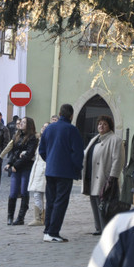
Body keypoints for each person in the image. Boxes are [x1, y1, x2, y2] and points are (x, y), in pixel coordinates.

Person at [39, 104, 84, 242]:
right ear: (71, 116)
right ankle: (53, 232)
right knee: (60, 202)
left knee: (51, 201)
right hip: (65, 171)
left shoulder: (49, 128)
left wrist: (50, 160)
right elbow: (77, 153)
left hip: (51, 170)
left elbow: (42, 150)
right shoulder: (72, 130)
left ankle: (47, 230)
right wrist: (77, 169)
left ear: (59, 113)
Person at [81, 115, 124, 234]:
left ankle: (107, 229)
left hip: (104, 177)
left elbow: (118, 160)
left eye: (104, 124)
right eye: (100, 124)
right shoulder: (95, 139)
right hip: (92, 174)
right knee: (95, 201)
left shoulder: (115, 140)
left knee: (105, 204)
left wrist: (112, 177)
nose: (101, 126)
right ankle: (99, 227)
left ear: (110, 126)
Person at [5, 117, 39, 225]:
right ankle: (10, 216)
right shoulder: (17, 135)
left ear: (29, 125)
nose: (21, 124)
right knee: (13, 192)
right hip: (16, 167)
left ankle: (20, 217)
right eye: (21, 122)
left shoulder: (32, 138)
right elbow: (14, 152)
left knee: (24, 191)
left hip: (26, 167)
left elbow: (29, 155)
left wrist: (16, 165)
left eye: (24, 122)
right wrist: (10, 163)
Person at [27, 121, 50, 226]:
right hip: (37, 168)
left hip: (43, 169)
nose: (43, 128)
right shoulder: (40, 140)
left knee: (41, 193)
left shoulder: (49, 141)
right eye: (43, 126)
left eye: (46, 127)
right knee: (37, 193)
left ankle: (40, 217)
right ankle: (39, 217)